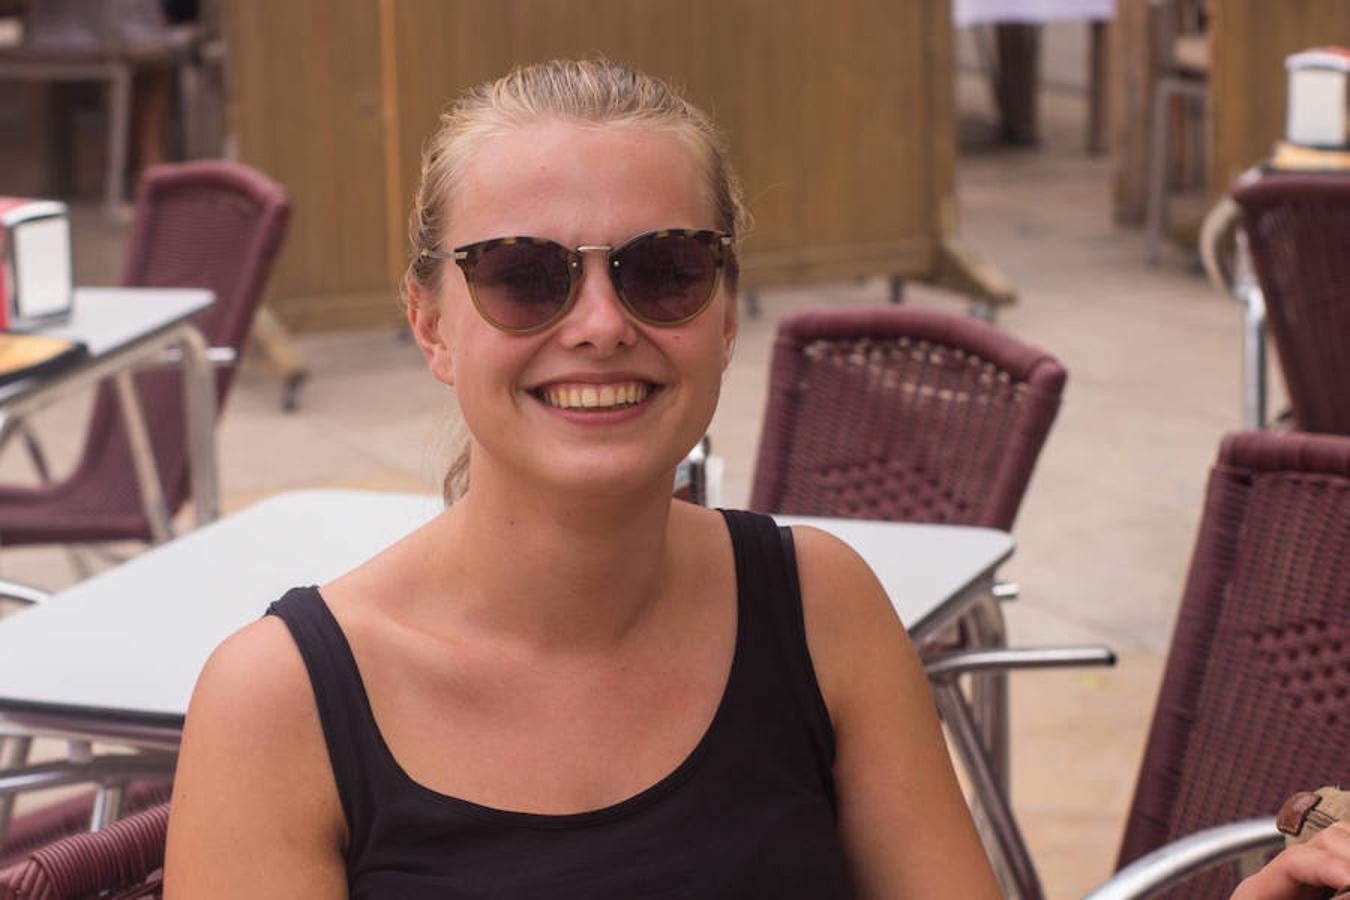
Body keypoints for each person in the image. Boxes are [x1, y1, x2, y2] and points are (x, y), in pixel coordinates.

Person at [163, 59, 1348, 899]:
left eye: (664, 269)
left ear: (726, 315)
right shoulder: (280, 706)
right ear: (431, 323)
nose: (599, 324)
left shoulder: (820, 608)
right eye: (525, 275)